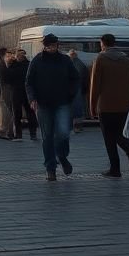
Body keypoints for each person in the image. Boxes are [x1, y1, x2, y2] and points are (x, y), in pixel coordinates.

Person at [25, 34, 80, 180]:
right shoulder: (37, 60)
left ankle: (62, 156)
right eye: (48, 46)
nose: (51, 48)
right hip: (43, 104)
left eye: (53, 46)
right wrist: (32, 98)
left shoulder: (65, 60)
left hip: (62, 102)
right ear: (44, 46)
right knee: (47, 136)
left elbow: (75, 78)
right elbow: (29, 82)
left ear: (57, 45)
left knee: (63, 133)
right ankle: (50, 168)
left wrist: (71, 94)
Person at [88, 33, 129, 177]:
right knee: (119, 133)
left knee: (109, 137)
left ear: (102, 43)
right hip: (124, 104)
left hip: (105, 105)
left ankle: (115, 168)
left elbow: (95, 85)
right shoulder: (127, 60)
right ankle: (128, 148)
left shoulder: (100, 59)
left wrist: (92, 106)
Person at [12, 50, 38, 140]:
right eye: (18, 55)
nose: (19, 56)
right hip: (19, 91)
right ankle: (22, 134)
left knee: (28, 113)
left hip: (23, 92)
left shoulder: (25, 64)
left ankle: (30, 133)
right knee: (19, 113)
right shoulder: (26, 64)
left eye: (21, 55)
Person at [0, 48, 16, 140]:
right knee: (10, 111)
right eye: (8, 54)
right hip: (6, 89)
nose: (10, 56)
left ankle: (7, 132)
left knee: (9, 111)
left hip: (6, 89)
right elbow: (5, 76)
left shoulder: (1, 63)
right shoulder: (1, 63)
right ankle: (5, 132)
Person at [67, 49, 89, 132]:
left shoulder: (68, 64)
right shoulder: (81, 64)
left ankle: (72, 126)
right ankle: (78, 126)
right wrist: (85, 89)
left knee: (71, 108)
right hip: (79, 89)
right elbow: (86, 77)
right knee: (79, 108)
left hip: (71, 89)